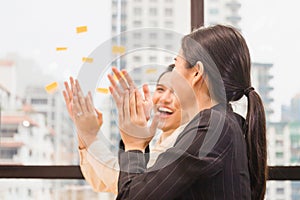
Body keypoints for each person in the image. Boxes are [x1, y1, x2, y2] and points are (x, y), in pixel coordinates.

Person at [106, 25, 267, 200]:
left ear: (197, 72)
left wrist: (133, 146)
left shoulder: (212, 128)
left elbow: (132, 197)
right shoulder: (223, 123)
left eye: (176, 64)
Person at [63, 65, 187, 194]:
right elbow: (100, 183)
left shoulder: (184, 140)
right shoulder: (160, 139)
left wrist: (89, 135)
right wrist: (84, 132)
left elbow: (120, 181)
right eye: (160, 89)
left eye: (176, 92)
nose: (164, 99)